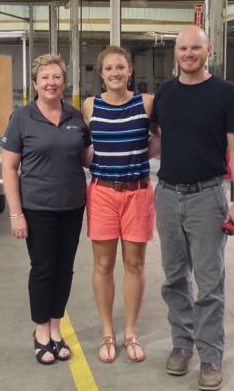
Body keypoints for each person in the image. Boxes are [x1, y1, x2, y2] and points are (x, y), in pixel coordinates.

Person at [151, 26, 234, 390]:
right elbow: (159, 139)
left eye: (195, 47)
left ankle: (210, 356)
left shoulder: (226, 93)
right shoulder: (165, 93)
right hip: (166, 194)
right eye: (182, 48)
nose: (188, 53)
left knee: (209, 283)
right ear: (174, 52)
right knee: (174, 278)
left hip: (207, 197)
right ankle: (182, 344)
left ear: (208, 49)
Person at [1, 54, 92, 365]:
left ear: (64, 83)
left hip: (72, 206)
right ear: (36, 83)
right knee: (43, 269)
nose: (51, 83)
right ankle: (41, 331)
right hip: (37, 207)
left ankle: (56, 326)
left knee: (64, 268)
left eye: (57, 77)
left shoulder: (75, 116)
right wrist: (16, 214)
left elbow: (86, 158)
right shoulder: (22, 118)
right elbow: (10, 169)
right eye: (45, 78)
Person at [82, 46, 154, 364]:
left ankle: (131, 333)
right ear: (101, 73)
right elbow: (84, 145)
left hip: (138, 193)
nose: (115, 73)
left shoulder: (147, 103)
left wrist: (135, 158)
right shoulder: (90, 106)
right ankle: (108, 333)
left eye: (120, 68)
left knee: (135, 265)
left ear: (130, 71)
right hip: (102, 194)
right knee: (103, 265)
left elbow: (161, 138)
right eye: (109, 68)